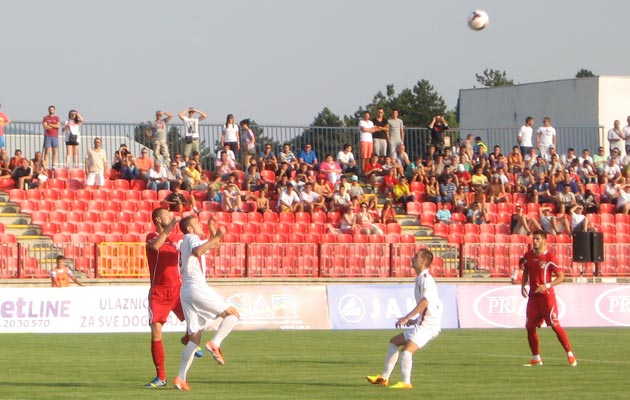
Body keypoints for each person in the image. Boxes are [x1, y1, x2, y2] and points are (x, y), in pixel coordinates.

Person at [174, 216, 241, 391]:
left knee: (194, 337)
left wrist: (214, 230)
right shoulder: (191, 238)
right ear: (189, 228)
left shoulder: (187, 241)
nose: (200, 225)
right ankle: (215, 343)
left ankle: (180, 378)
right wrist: (215, 236)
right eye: (197, 223)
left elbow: (213, 244)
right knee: (233, 314)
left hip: (186, 290)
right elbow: (198, 251)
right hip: (196, 287)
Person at [366, 249, 443, 389]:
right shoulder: (421, 278)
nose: (412, 258)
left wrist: (407, 317)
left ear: (423, 261)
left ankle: (406, 382)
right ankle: (384, 378)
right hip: (424, 323)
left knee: (407, 351)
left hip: (428, 326)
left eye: (416, 257)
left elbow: (426, 301)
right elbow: (432, 305)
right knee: (394, 342)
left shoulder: (426, 279)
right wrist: (415, 320)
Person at [144, 208, 193, 388]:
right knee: (156, 332)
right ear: (158, 219)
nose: (170, 216)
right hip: (159, 292)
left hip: (178, 289)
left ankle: (188, 338)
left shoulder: (175, 241)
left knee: (195, 321)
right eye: (166, 215)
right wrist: (171, 226)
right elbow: (155, 247)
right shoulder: (152, 236)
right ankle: (161, 377)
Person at [520, 230, 577, 367]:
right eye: (534, 239)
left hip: (547, 298)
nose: (534, 241)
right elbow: (526, 270)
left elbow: (561, 277)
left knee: (555, 325)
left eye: (537, 239)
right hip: (533, 298)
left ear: (544, 241)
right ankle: (536, 358)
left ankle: (570, 354)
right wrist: (523, 286)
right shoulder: (528, 255)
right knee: (529, 327)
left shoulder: (550, 257)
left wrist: (546, 285)